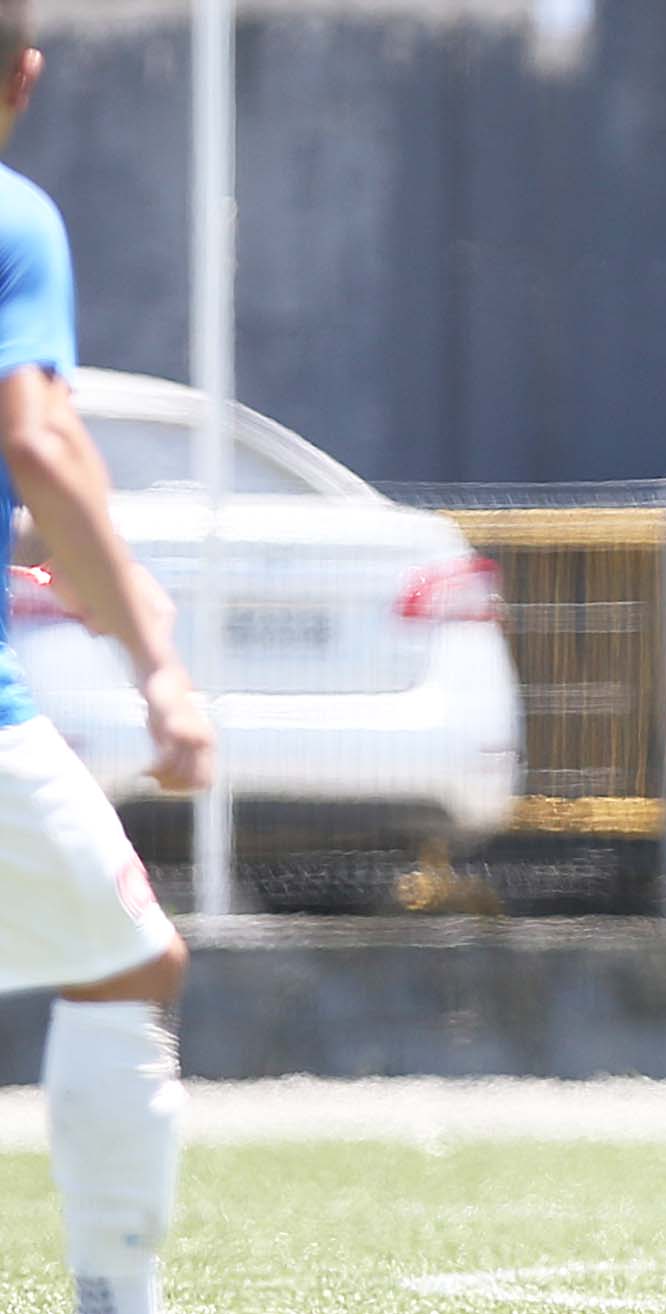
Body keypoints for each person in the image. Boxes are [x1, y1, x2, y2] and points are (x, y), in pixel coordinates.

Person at [0, 5, 217, 1311]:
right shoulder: (15, 218)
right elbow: (36, 441)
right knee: (133, 962)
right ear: (25, 76)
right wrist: (153, 651)